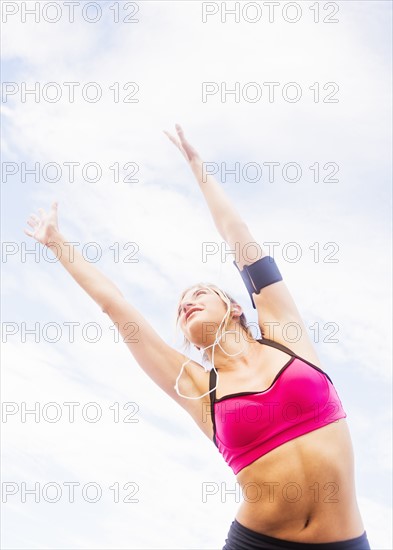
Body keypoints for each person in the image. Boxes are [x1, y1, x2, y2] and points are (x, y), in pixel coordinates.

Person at [23, 124, 371, 550]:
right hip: (258, 542)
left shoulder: (285, 334)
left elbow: (239, 238)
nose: (187, 301)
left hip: (345, 541)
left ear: (236, 307)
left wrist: (197, 167)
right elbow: (116, 307)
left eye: (199, 292)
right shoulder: (196, 386)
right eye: (180, 304)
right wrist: (57, 244)